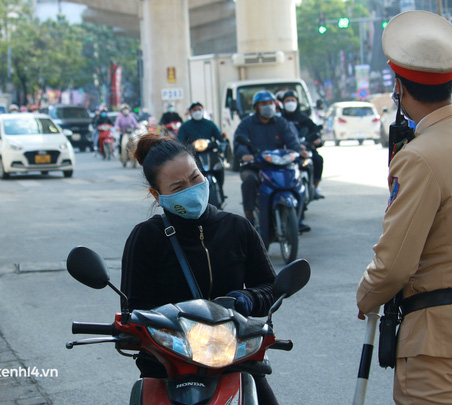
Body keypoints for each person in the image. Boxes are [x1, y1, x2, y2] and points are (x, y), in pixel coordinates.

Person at [356, 10, 452, 404]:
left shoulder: (419, 157)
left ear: (398, 88)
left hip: (437, 338)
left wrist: (367, 294)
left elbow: (395, 263)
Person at [120, 133, 279, 404]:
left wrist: (248, 299)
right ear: (157, 195)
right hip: (167, 364)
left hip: (232, 357)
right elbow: (133, 311)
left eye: (195, 178)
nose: (191, 189)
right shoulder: (146, 237)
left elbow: (270, 288)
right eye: (178, 186)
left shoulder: (238, 228)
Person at [233, 90, 310, 231]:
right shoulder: (247, 123)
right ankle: (249, 216)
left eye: (270, 103)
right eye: (264, 104)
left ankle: (298, 218)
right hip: (255, 165)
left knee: (296, 180)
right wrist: (245, 154)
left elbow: (292, 140)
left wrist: (300, 151)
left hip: (279, 164)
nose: (268, 106)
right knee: (249, 180)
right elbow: (239, 143)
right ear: (256, 107)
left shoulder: (281, 122)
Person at [281, 90, 325, 200]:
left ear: (297, 102)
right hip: (287, 150)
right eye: (287, 101)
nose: (290, 103)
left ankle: (314, 187)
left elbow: (315, 132)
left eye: (292, 100)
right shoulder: (279, 120)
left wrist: (316, 140)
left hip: (305, 149)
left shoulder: (304, 118)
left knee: (317, 159)